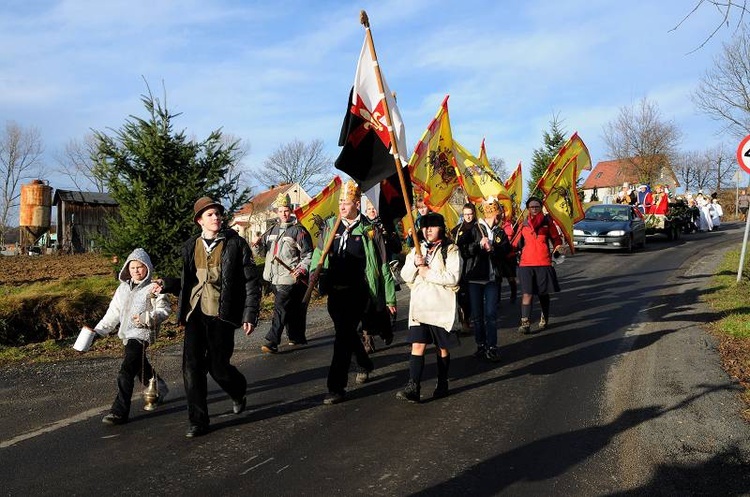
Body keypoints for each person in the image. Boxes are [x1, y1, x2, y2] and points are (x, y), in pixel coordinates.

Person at [177, 196, 261, 438]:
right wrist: (166, 285)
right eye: (210, 214)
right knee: (191, 368)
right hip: (195, 313)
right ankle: (198, 421)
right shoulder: (190, 246)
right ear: (199, 221)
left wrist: (250, 314)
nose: (216, 218)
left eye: (217, 214)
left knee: (218, 367)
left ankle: (238, 390)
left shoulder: (236, 244)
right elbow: (187, 282)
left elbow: (251, 282)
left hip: (222, 314)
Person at [310, 181, 397, 405]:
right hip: (334, 292)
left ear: (357, 203)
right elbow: (318, 254)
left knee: (342, 338)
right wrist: (314, 274)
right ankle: (364, 362)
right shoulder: (330, 227)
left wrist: (388, 297)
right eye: (339, 202)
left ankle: (335, 387)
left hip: (359, 292)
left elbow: (383, 264)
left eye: (345, 202)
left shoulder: (369, 229)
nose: (341, 206)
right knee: (345, 332)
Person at [94, 248, 171, 426]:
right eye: (133, 267)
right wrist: (99, 331)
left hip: (143, 333)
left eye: (140, 267)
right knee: (139, 364)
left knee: (126, 370)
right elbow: (113, 313)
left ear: (147, 268)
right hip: (127, 333)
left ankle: (119, 411)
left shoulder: (154, 288)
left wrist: (148, 318)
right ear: (127, 269)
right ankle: (159, 388)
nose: (136, 270)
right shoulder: (122, 289)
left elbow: (164, 310)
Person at [396, 212, 462, 402]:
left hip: (441, 308)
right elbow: (405, 276)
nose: (428, 230)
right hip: (420, 308)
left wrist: (427, 271)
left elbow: (453, 277)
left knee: (442, 348)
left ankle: (442, 382)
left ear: (440, 228)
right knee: (417, 346)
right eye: (425, 227)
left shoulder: (450, 249)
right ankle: (413, 386)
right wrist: (416, 264)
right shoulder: (417, 249)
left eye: (432, 226)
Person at [251, 193, 313, 353]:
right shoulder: (271, 230)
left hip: (289, 277)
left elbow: (308, 255)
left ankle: (272, 340)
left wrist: (300, 269)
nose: (284, 213)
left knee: (280, 308)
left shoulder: (299, 231)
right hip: (272, 277)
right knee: (290, 308)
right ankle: (296, 337)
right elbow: (263, 253)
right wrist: (257, 246)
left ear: (291, 210)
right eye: (280, 210)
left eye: (286, 210)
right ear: (276, 212)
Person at [465, 197, 510, 361]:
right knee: (477, 316)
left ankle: (492, 347)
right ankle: (481, 345)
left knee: (490, 314)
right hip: (475, 279)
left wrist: (493, 248)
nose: (498, 217)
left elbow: (505, 251)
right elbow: (465, 250)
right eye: (496, 214)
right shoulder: (474, 229)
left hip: (492, 279)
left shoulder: (499, 232)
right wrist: (478, 245)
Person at [513, 196, 563, 335]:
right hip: (526, 264)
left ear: (541, 208)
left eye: (537, 207)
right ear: (528, 209)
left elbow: (556, 238)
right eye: (531, 207)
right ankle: (525, 323)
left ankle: (544, 317)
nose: (534, 209)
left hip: (543, 262)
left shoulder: (547, 222)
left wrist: (558, 247)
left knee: (543, 293)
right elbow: (515, 242)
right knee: (527, 293)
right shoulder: (523, 223)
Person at [360, 199, 401, 352]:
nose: (372, 211)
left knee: (382, 306)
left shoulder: (387, 226)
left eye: (374, 208)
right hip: (371, 271)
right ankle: (368, 340)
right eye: (369, 209)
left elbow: (397, 247)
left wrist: (388, 236)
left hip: (387, 269)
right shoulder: (362, 228)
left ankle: (386, 330)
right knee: (367, 306)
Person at [451, 203, 481, 333]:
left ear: (474, 214)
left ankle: (470, 318)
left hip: (473, 265)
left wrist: (467, 249)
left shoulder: (478, 228)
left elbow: (478, 245)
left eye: (470, 214)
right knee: (461, 294)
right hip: (459, 265)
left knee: (470, 296)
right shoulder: (457, 229)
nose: (468, 217)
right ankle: (464, 320)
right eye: (465, 214)